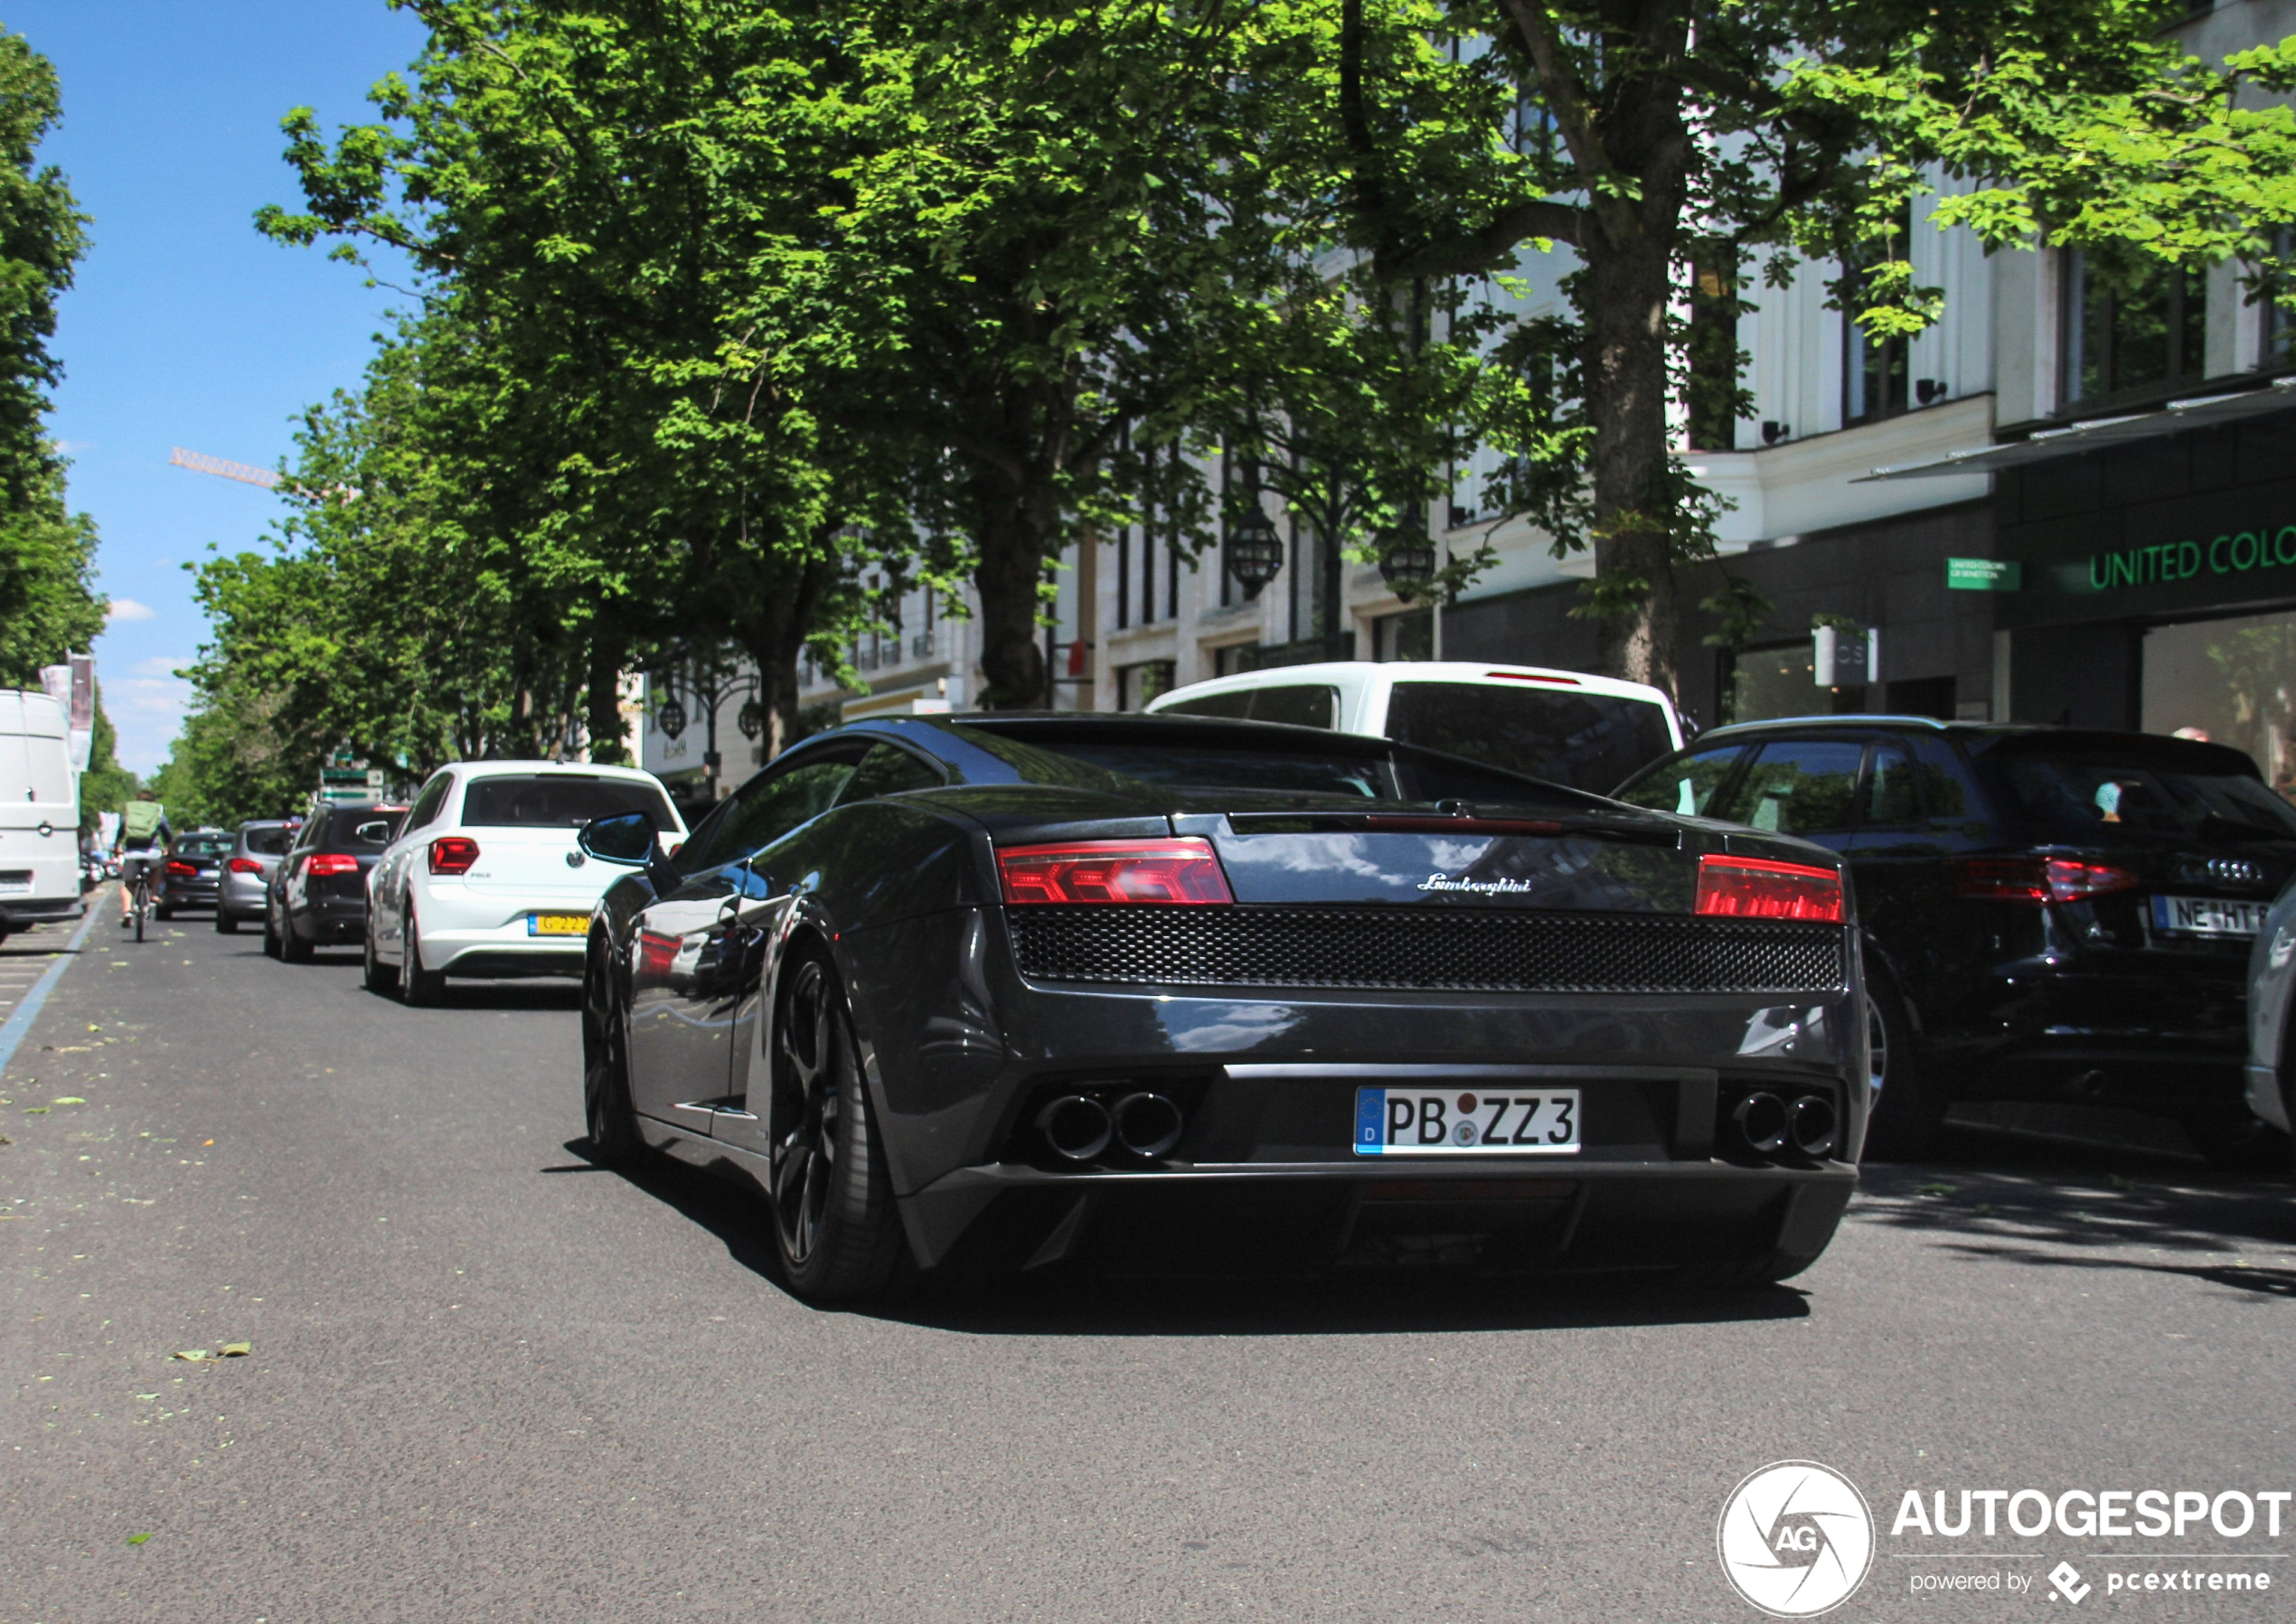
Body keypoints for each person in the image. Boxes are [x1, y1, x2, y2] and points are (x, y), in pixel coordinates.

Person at [113, 789, 173, 925]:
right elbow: (167, 833)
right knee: (156, 870)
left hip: (132, 853)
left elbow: (121, 831)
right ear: (153, 801)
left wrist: (117, 847)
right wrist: (170, 849)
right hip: (152, 852)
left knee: (127, 882)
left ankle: (127, 911)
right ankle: (153, 895)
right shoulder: (157, 812)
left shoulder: (130, 812)